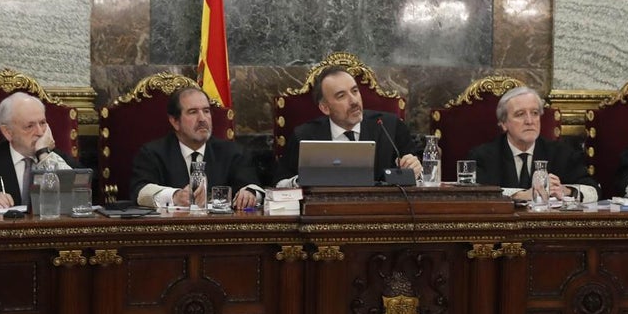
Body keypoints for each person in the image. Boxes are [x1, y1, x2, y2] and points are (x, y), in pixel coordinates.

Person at [275, 65, 421, 185]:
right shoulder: (304, 136)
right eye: (341, 96)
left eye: (355, 91)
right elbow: (280, 182)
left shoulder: (390, 126)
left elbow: (418, 175)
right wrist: (302, 181)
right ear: (325, 108)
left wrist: (414, 169)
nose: (354, 101)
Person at [130, 86, 262, 209]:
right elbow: (140, 191)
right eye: (193, 112)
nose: (202, 118)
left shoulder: (233, 152)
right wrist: (175, 196)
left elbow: (253, 187)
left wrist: (250, 193)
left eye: (206, 111)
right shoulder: (152, 153)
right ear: (175, 121)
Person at [467, 87, 598, 202]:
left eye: (535, 113)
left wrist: (566, 191)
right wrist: (520, 195)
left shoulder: (562, 153)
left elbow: (594, 190)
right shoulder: (483, 156)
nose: (529, 121)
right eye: (520, 114)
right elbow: (474, 194)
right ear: (503, 123)